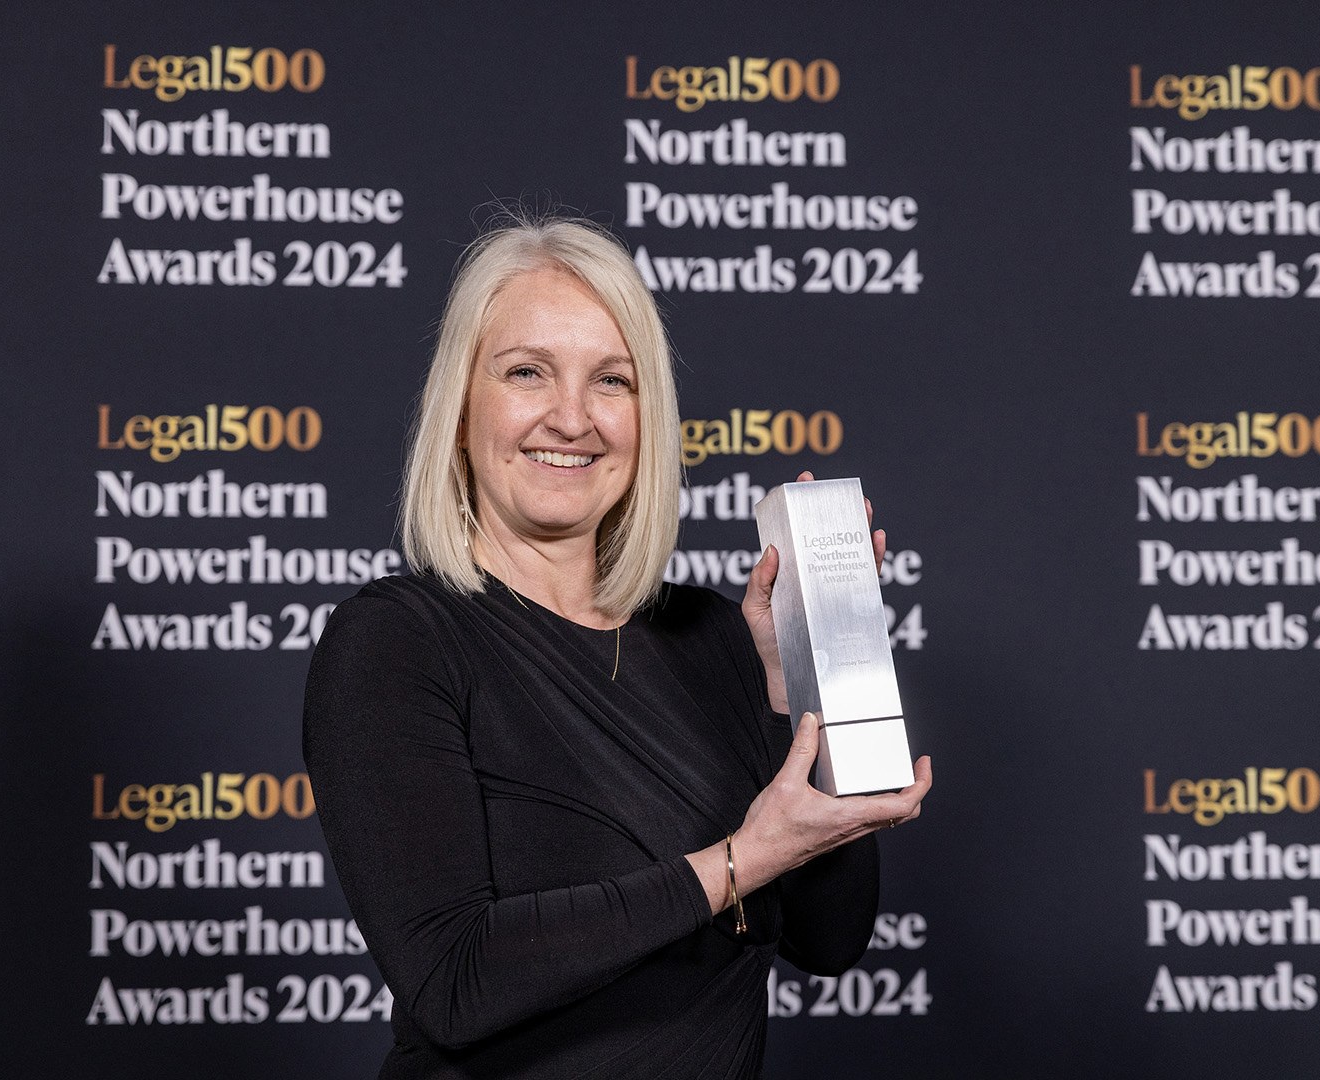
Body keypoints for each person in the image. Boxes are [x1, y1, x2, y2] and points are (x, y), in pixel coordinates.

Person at [303, 215, 932, 1079]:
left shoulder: (710, 637)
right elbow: (454, 981)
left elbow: (831, 941)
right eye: (527, 372)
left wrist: (795, 689)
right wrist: (741, 860)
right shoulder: (396, 642)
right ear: (460, 409)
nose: (572, 419)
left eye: (611, 381)